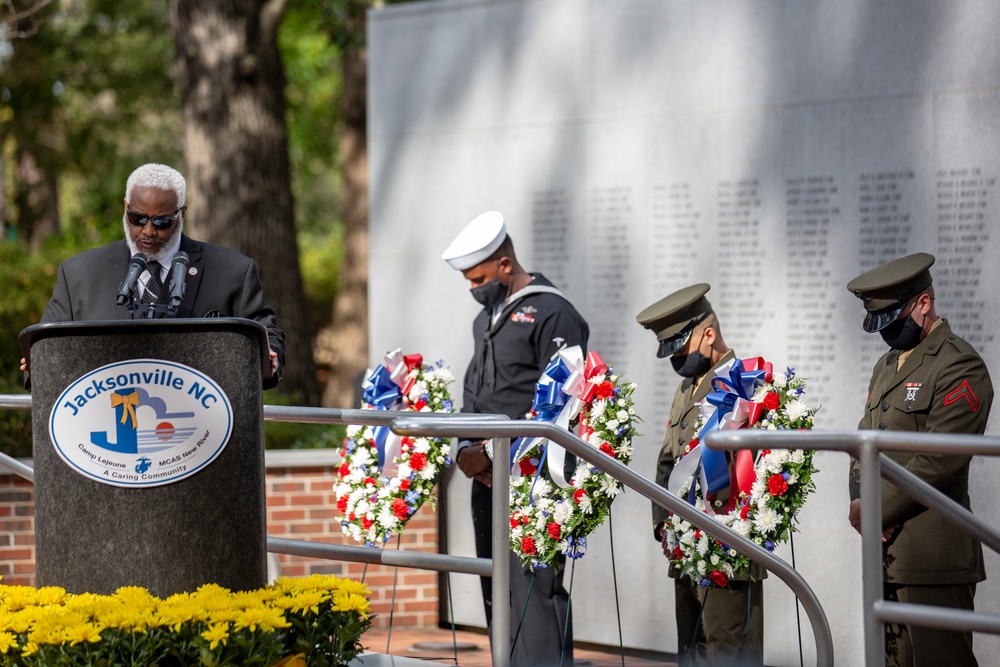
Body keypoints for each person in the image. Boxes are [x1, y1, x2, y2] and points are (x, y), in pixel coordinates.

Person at [442, 210, 589, 667]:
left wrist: (490, 454)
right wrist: (466, 450)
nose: (474, 289)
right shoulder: (486, 318)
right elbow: (474, 392)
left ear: (505, 264)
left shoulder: (553, 313)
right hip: (487, 480)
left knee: (535, 596)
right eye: (468, 280)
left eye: (479, 277)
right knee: (497, 592)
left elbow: (564, 401)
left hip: (534, 481)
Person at [846, 252, 994, 667]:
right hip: (886, 555)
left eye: (893, 317)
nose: (886, 332)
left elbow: (939, 458)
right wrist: (859, 500)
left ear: (924, 304)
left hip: (933, 556)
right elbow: (862, 440)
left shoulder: (958, 364)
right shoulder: (887, 365)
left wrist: (876, 509)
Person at [22, 163, 284, 389]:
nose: (147, 231)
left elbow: (266, 334)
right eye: (137, 218)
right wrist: (39, 363)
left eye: (161, 222)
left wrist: (269, 357)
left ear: (181, 215)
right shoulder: (78, 274)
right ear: (125, 207)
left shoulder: (232, 271)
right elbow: (46, 347)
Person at [636, 283, 763, 667]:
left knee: (727, 651)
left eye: (680, 347)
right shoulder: (686, 389)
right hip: (684, 547)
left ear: (708, 334)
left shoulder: (746, 382)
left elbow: (753, 467)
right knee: (691, 653)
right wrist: (662, 525)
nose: (676, 359)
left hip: (726, 550)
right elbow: (666, 460)